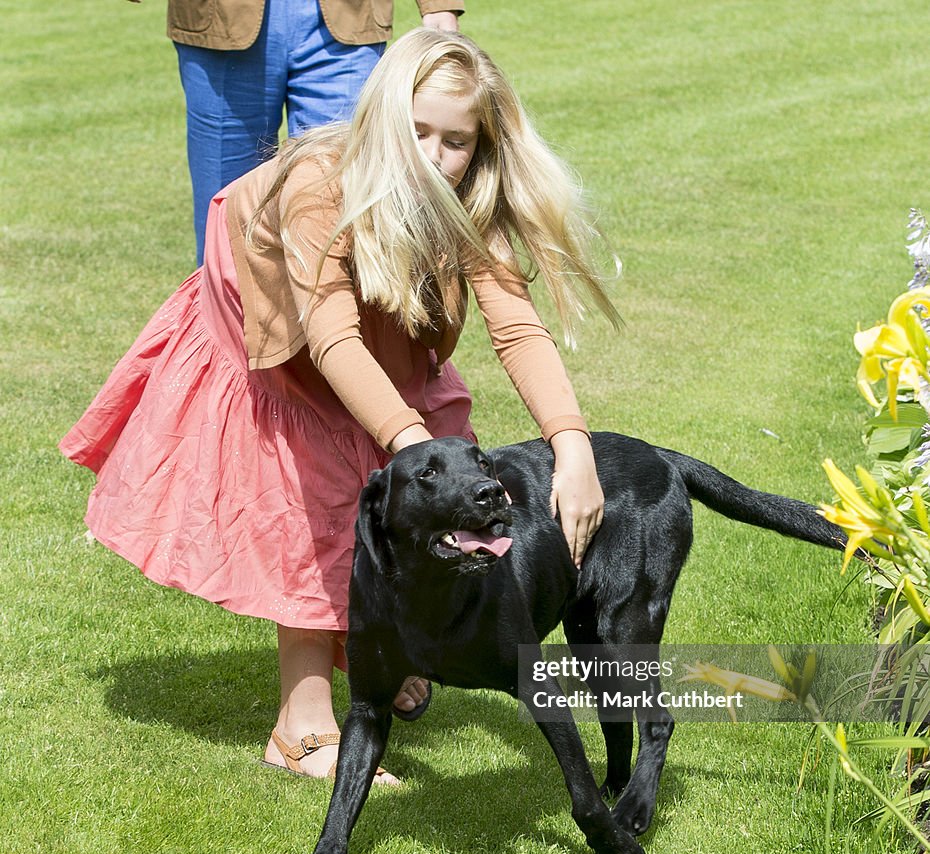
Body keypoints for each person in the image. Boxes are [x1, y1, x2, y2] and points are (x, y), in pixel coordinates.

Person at [60, 29, 622, 783]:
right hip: (284, 324)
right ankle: (302, 726)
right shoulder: (323, 180)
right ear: (385, 118)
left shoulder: (467, 200)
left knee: (420, 458)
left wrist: (574, 446)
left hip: (373, 319)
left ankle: (378, 639)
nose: (434, 154)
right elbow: (329, 339)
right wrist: (414, 448)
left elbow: (516, 329)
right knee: (325, 487)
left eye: (455, 141)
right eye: (416, 130)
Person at [130, 0, 463, 264]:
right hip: (219, 19)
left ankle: (352, 345)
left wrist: (438, 4)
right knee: (224, 210)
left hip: (347, 22)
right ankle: (224, 346)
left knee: (347, 203)